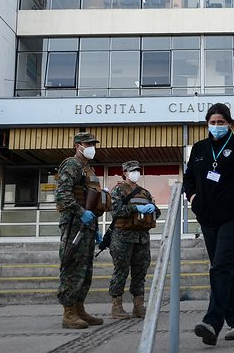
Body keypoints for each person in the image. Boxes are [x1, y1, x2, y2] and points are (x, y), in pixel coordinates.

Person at [183, 103, 234, 345]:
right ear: (207, 123)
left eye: (221, 122)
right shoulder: (199, 148)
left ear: (230, 123)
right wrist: (193, 197)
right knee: (225, 269)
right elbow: (189, 178)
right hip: (208, 218)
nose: (217, 126)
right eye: (213, 122)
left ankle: (212, 322)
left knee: (220, 266)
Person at [54, 132, 104, 329]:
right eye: (88, 143)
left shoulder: (88, 169)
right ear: (78, 145)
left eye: (93, 143)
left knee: (85, 270)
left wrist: (95, 226)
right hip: (74, 223)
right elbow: (62, 195)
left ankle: (79, 308)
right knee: (72, 268)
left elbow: (92, 199)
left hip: (88, 225)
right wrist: (80, 212)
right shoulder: (71, 164)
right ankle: (68, 313)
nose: (92, 146)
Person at [108, 160, 159, 320]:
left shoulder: (145, 193)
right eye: (132, 170)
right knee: (121, 271)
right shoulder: (118, 190)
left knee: (140, 272)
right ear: (124, 173)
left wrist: (154, 210)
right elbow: (115, 210)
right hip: (123, 237)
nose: (135, 173)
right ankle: (117, 307)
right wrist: (135, 208)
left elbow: (156, 212)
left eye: (137, 170)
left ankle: (139, 307)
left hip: (142, 237)